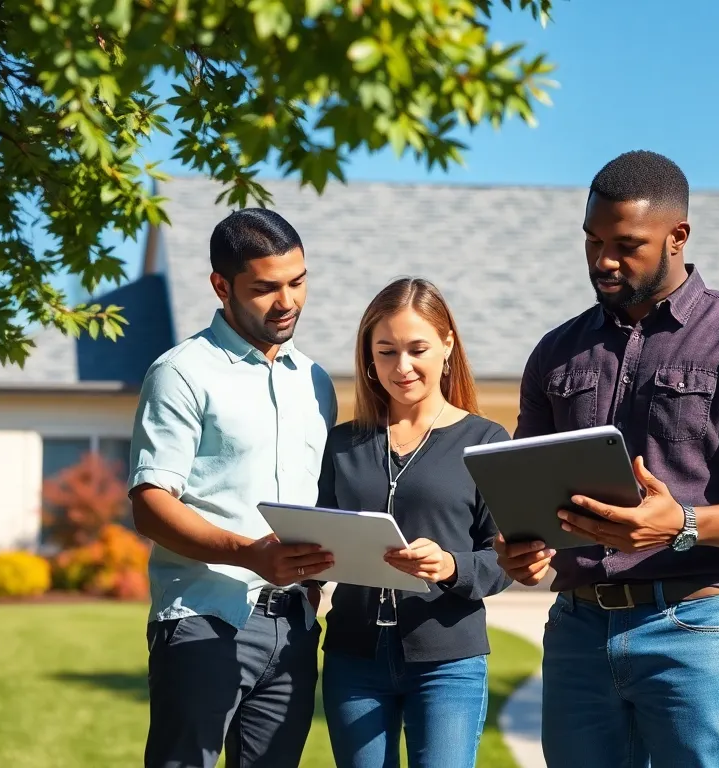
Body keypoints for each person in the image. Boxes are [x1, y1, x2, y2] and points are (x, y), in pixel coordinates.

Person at [495, 150, 719, 767]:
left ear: (678, 237)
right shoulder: (556, 353)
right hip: (578, 628)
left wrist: (683, 523)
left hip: (697, 627)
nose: (603, 260)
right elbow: (527, 486)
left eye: (626, 245)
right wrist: (520, 544)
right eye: (592, 241)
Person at [127, 208, 339, 768]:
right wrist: (249, 553)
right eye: (265, 288)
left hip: (292, 626)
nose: (287, 301)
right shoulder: (182, 373)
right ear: (222, 286)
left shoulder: (314, 381)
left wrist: (311, 594)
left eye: (297, 281)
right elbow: (150, 505)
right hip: (203, 617)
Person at [316, 277, 513, 768]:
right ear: (369, 357)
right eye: (386, 352)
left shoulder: (486, 440)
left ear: (447, 345)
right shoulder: (342, 445)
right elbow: (316, 543)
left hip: (448, 659)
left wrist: (450, 565)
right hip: (353, 658)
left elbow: (505, 558)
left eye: (417, 349)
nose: (401, 367)